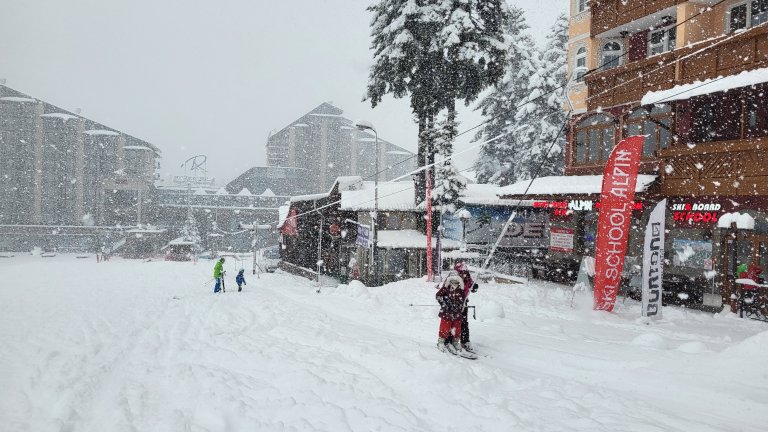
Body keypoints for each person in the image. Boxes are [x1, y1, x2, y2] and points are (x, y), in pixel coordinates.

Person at [436, 275, 467, 355]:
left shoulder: (461, 290)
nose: (454, 283)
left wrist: (457, 306)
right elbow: (438, 296)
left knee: (457, 329)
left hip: (457, 314)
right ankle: (441, 342)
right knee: (444, 328)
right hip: (446, 313)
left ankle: (455, 342)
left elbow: (462, 300)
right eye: (452, 281)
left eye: (456, 282)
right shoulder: (446, 288)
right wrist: (445, 303)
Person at [452, 261, 479, 352]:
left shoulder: (467, 278)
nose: (463, 274)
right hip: (454, 302)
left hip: (464, 302)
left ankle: (465, 341)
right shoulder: (454, 279)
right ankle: (450, 340)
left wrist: (474, 286)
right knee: (453, 322)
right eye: (461, 272)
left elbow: (471, 286)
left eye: (465, 272)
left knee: (464, 322)